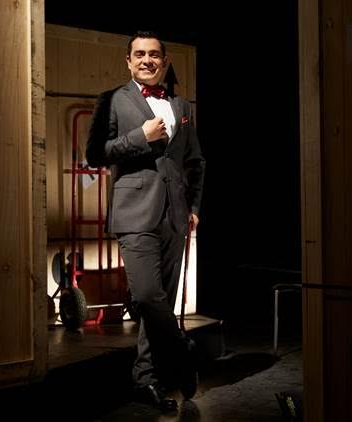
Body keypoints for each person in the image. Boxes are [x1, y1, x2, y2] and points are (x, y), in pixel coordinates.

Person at [86, 31, 206, 412]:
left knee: (161, 303)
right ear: (128, 61)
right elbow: (95, 154)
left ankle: (145, 379)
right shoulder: (112, 100)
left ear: (164, 62)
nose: (147, 60)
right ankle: (183, 349)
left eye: (154, 55)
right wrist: (140, 136)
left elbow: (196, 161)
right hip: (134, 212)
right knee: (146, 296)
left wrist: (194, 206)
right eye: (139, 54)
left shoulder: (180, 105)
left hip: (175, 216)